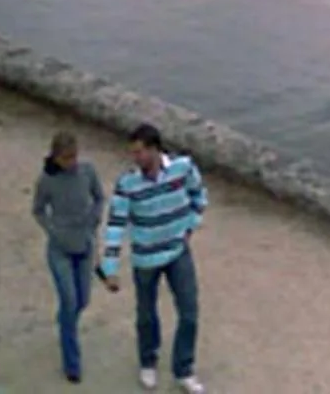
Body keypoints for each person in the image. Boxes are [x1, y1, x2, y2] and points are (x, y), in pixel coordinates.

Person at [98, 122, 208, 393]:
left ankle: (184, 369)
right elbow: (115, 225)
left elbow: (199, 195)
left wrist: (190, 226)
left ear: (155, 150)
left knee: (190, 312)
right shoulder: (128, 184)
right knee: (147, 315)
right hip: (145, 258)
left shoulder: (183, 168)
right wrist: (109, 268)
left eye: (139, 153)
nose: (135, 159)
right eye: (133, 153)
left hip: (177, 251)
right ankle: (148, 361)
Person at [32, 130, 106, 384]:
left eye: (74, 156)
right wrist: (52, 229)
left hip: (84, 247)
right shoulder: (47, 181)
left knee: (81, 300)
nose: (72, 162)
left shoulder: (88, 172)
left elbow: (99, 197)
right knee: (70, 300)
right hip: (59, 251)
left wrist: (95, 218)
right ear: (56, 157)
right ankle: (72, 364)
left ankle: (65, 322)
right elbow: (38, 210)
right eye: (66, 158)